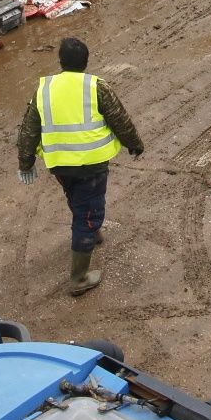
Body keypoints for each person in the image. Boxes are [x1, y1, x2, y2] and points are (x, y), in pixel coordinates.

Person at [16, 37, 144, 296]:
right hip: (91, 165)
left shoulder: (44, 89)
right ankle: (79, 278)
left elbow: (28, 130)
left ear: (60, 62)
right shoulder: (95, 86)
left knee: (77, 200)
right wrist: (134, 144)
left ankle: (90, 232)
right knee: (87, 214)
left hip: (60, 165)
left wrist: (26, 163)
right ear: (86, 63)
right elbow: (119, 118)